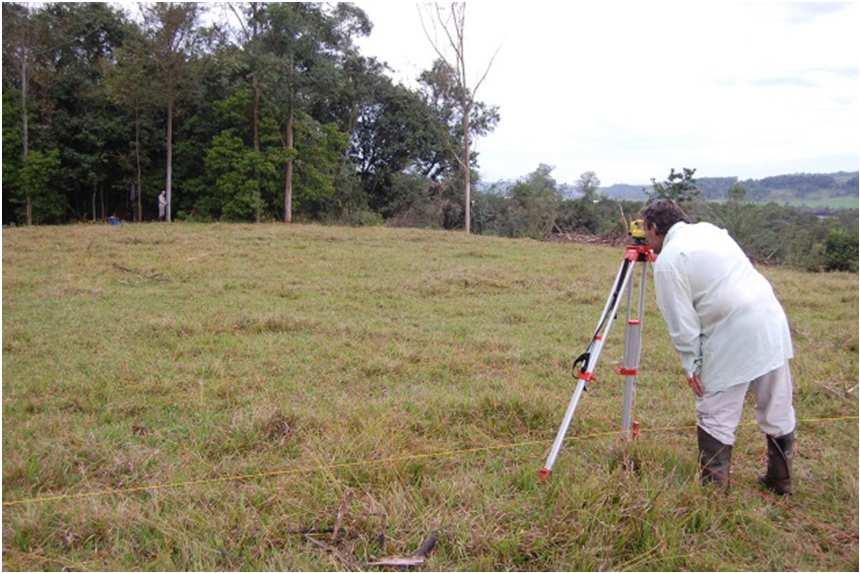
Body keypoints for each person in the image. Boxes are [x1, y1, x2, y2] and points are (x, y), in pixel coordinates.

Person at [641, 199, 796, 494]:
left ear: (653, 227)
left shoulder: (670, 260)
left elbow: (681, 323)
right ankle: (781, 481)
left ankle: (714, 494)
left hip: (733, 332)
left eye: (645, 231)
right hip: (771, 320)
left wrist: (692, 365)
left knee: (715, 413)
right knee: (777, 403)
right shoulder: (710, 230)